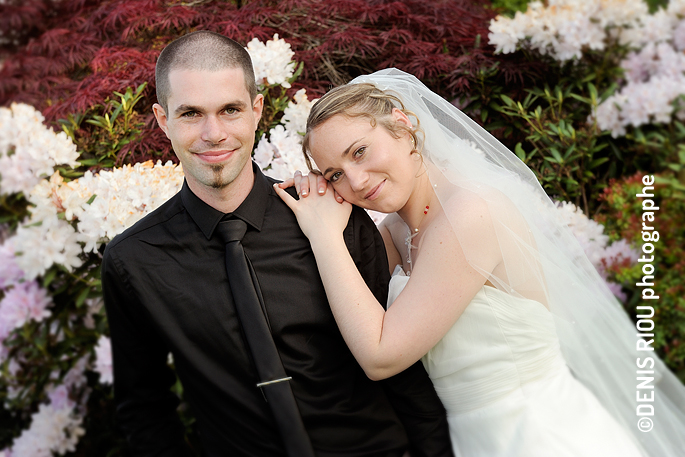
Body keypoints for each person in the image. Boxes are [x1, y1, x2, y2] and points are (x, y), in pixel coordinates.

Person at [274, 68, 685, 456]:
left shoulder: (471, 214)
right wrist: (314, 208)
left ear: (402, 124)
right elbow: (352, 305)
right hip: (477, 440)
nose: (356, 181)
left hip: (542, 433)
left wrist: (324, 234)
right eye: (334, 175)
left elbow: (381, 355)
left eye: (360, 152)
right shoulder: (397, 233)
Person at [101, 33, 454, 457]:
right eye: (191, 113)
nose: (213, 134)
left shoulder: (335, 219)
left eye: (230, 110)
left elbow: (405, 376)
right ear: (163, 120)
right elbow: (145, 409)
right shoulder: (133, 262)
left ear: (256, 110)